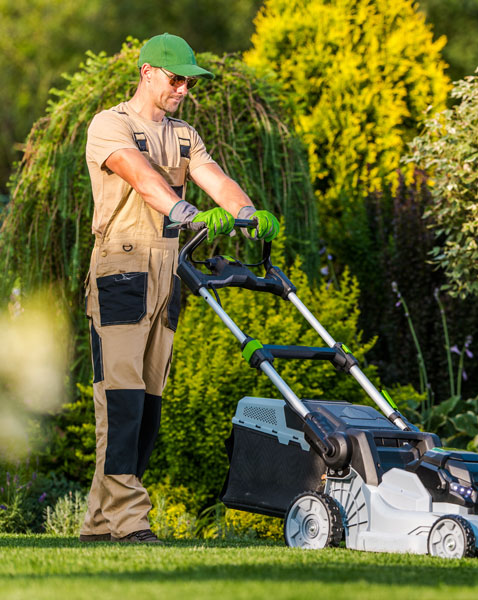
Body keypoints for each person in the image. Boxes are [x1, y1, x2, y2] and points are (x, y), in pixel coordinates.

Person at [79, 33, 280, 543]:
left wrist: (247, 214)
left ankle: (100, 523)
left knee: (146, 407)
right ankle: (128, 522)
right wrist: (185, 212)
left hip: (169, 276)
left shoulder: (185, 135)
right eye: (176, 78)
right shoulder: (111, 125)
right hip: (121, 271)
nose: (184, 88)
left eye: (189, 80)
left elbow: (215, 179)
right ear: (147, 72)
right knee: (120, 400)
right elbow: (139, 175)